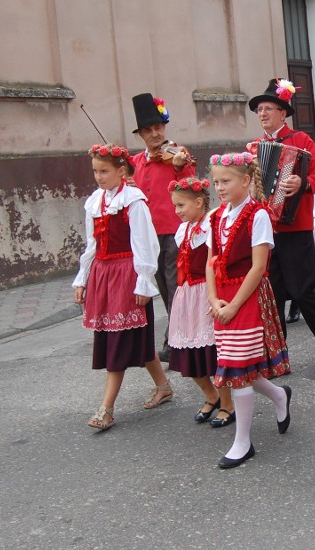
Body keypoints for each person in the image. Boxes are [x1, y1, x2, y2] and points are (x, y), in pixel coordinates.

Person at [73, 144, 173, 431]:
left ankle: (106, 409)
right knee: (135, 337)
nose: (99, 177)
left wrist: (143, 281)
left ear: (122, 171)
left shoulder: (133, 201)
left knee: (116, 343)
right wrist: (83, 278)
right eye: (95, 171)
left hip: (127, 274)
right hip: (104, 275)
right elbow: (91, 245)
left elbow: (146, 244)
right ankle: (163, 386)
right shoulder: (94, 201)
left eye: (104, 171)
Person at [206, 152, 292, 468]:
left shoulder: (258, 216)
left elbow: (258, 268)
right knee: (237, 365)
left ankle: (243, 442)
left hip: (248, 296)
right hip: (224, 296)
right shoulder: (215, 216)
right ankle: (279, 396)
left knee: (239, 368)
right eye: (216, 181)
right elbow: (210, 262)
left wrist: (233, 305)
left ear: (245, 180)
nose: (220, 187)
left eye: (226, 181)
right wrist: (214, 301)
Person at [247, 78, 315, 366]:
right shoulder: (254, 147)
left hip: (296, 227)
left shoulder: (300, 140)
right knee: (272, 294)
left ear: (282, 113)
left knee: (302, 291)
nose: (262, 114)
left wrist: (302, 182)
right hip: (267, 230)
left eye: (268, 109)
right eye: (259, 109)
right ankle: (278, 355)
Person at [129, 93, 197, 363]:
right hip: (148, 235)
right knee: (163, 288)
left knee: (175, 285)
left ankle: (174, 342)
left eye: (159, 127)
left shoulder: (178, 154)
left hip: (174, 232)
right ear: (141, 135)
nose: (156, 134)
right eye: (149, 130)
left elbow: (192, 186)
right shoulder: (136, 162)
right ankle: (178, 337)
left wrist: (180, 168)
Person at [166, 177, 235, 427]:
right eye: (175, 206)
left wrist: (216, 296)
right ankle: (211, 395)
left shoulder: (210, 226)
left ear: (198, 203)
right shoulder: (182, 230)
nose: (177, 211)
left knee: (213, 353)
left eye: (181, 206)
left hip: (205, 291)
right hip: (186, 296)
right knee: (187, 351)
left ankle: (228, 403)